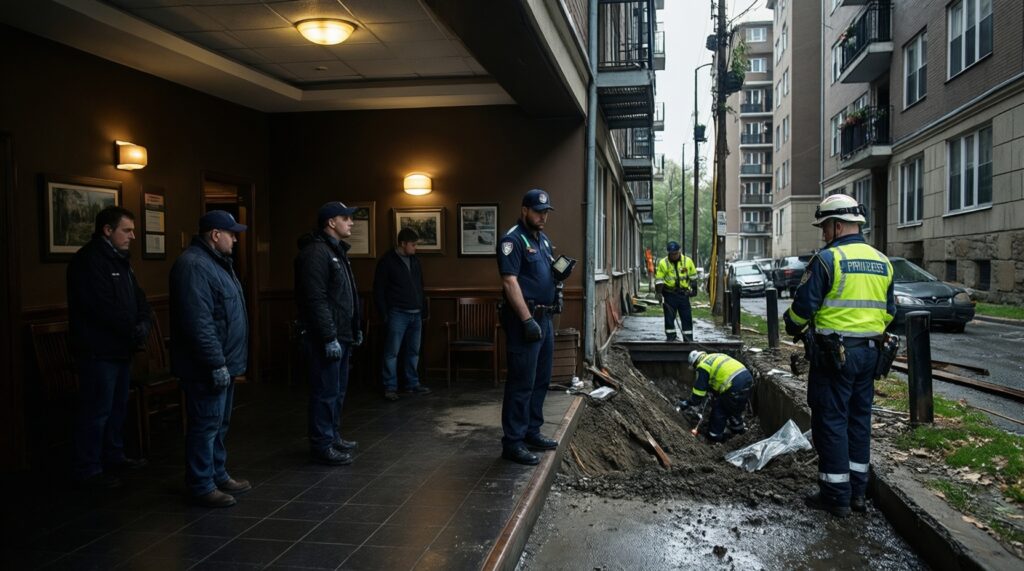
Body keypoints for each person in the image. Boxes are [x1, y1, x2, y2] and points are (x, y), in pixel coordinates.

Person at [783, 194, 895, 518]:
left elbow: (803, 308)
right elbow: (890, 313)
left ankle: (836, 496)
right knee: (859, 422)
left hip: (835, 357)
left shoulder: (828, 260)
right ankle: (858, 494)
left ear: (836, 225)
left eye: (824, 227)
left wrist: (792, 325)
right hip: (870, 355)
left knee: (831, 422)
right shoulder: (883, 262)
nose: (822, 234)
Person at [170, 210, 251, 508]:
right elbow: (199, 323)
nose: (235, 240)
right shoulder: (193, 266)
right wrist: (216, 363)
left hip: (224, 363)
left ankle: (217, 473)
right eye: (231, 234)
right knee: (205, 424)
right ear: (215, 235)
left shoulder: (217, 263)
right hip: (206, 366)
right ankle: (201, 483)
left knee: (220, 423)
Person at [67, 206, 152, 489]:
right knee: (97, 410)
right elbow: (101, 308)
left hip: (120, 349)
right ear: (107, 230)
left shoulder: (121, 260)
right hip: (98, 351)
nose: (132, 237)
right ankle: (89, 468)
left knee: (117, 407)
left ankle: (114, 456)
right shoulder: (89, 261)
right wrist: (133, 328)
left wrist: (143, 323)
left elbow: (139, 299)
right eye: (126, 230)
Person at [496, 189, 564, 466]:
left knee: (541, 378)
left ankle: (531, 431)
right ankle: (512, 442)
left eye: (546, 211)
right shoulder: (512, 240)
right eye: (538, 211)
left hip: (544, 318)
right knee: (521, 381)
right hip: (525, 319)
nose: (543, 216)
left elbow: (545, 273)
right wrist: (526, 320)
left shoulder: (543, 240)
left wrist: (559, 277)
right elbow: (510, 282)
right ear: (524, 210)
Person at [295, 202, 363, 466]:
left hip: (342, 334)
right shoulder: (316, 253)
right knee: (325, 391)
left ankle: (333, 435)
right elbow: (316, 299)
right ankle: (322, 444)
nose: (351, 223)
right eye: (346, 218)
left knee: (338, 390)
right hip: (326, 336)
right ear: (331, 222)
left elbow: (345, 297)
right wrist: (328, 336)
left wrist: (354, 329)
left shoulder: (336, 251)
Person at [374, 227, 430, 401]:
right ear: (403, 243)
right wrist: (385, 314)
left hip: (416, 314)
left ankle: (412, 384)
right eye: (413, 245)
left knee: (413, 351)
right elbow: (379, 290)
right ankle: (390, 387)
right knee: (392, 353)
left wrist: (422, 309)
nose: (415, 248)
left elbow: (420, 285)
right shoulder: (387, 261)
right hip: (397, 313)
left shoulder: (415, 261)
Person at [677, 351, 752, 441]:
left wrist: (689, 402)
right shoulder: (714, 355)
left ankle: (714, 435)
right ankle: (738, 428)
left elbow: (698, 393)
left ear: (695, 363)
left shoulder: (702, 366)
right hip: (747, 377)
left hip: (734, 384)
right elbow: (721, 374)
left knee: (720, 409)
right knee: (734, 405)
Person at [655, 241, 697, 341]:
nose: (674, 256)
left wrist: (694, 289)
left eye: (675, 253)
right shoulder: (663, 263)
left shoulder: (687, 261)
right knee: (669, 317)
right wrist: (659, 293)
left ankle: (688, 339)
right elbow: (659, 280)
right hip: (669, 294)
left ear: (679, 251)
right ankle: (671, 338)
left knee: (686, 317)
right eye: (672, 254)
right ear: (668, 252)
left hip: (683, 294)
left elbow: (693, 276)